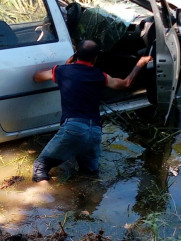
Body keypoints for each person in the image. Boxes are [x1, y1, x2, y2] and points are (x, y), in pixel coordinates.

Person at [31, 39, 152, 182]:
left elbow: (37, 77)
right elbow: (125, 84)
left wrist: (66, 65)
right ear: (95, 58)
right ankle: (91, 195)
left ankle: (46, 194)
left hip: (73, 129)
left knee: (41, 166)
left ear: (76, 55)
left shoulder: (62, 71)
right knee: (89, 175)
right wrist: (140, 63)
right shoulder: (100, 75)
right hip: (95, 132)